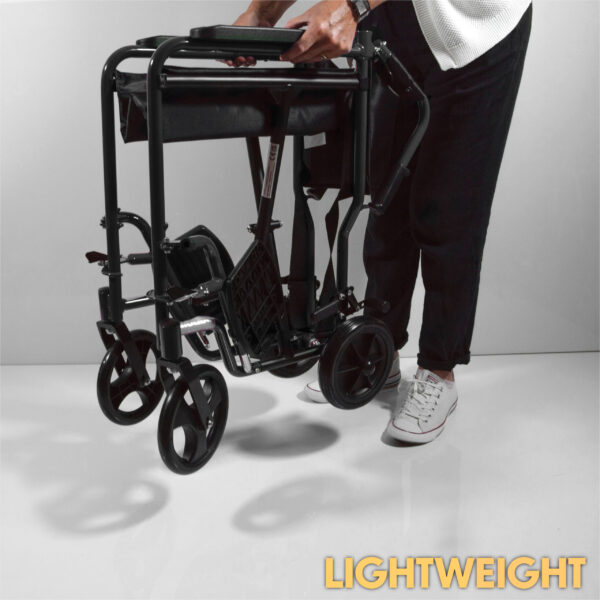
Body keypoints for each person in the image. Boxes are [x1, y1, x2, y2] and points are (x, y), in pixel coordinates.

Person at [228, 0, 532, 444]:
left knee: (449, 207)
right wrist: (262, 14)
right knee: (385, 194)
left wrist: (352, 6)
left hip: (476, 22)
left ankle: (438, 370)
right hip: (400, 16)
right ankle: (378, 346)